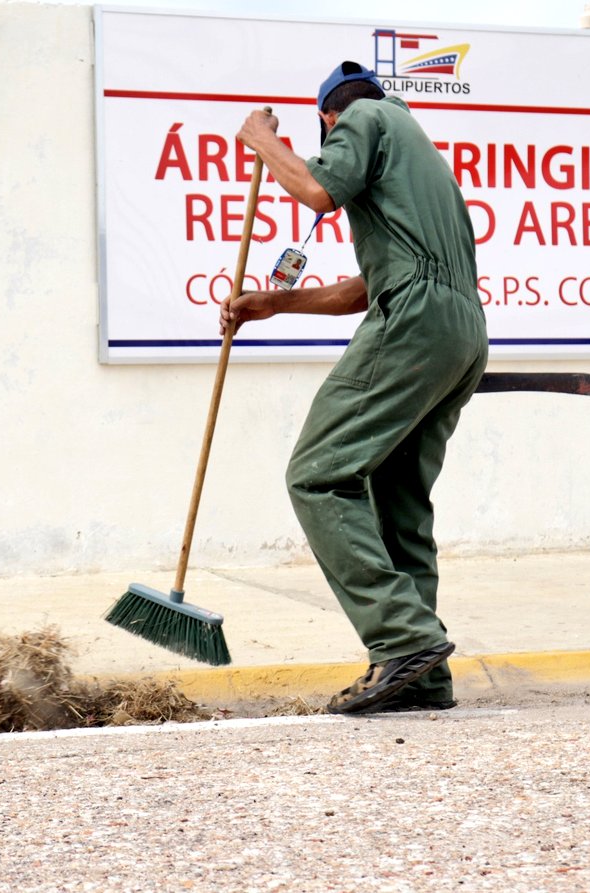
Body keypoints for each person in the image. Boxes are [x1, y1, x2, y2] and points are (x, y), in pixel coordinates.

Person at [220, 62, 488, 715]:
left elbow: (314, 190)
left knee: (317, 474)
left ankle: (405, 639)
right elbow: (362, 289)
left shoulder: (366, 117)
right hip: (461, 333)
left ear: (329, 121)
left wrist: (261, 139)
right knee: (399, 501)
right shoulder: (421, 161)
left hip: (416, 322)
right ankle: (421, 676)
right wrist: (275, 303)